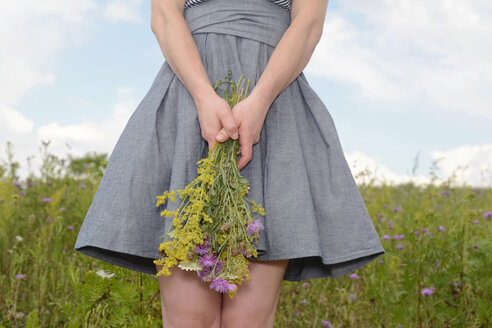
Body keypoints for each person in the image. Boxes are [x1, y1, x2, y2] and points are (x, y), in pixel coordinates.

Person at [74, 0, 386, 327]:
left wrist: (260, 100)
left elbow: (308, 24)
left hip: (274, 104)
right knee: (190, 319)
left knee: (248, 320)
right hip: (190, 100)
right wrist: (203, 96)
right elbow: (164, 15)